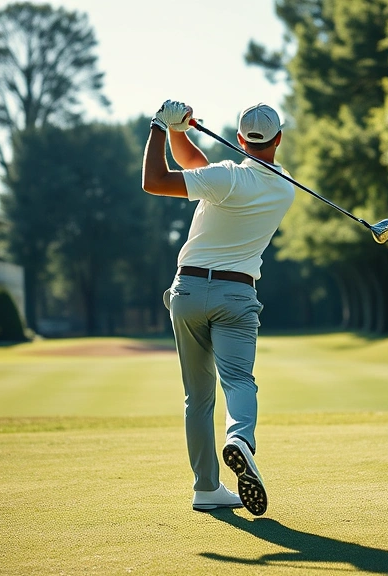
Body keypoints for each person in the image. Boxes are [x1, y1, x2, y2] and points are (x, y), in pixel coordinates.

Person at [141, 100, 294, 516]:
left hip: (188, 291)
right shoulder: (284, 188)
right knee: (240, 382)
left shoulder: (224, 178)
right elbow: (195, 162)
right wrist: (179, 132)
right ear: (279, 139)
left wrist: (159, 125)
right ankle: (240, 438)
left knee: (198, 398)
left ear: (240, 137)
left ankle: (207, 488)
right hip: (237, 297)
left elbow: (155, 181)